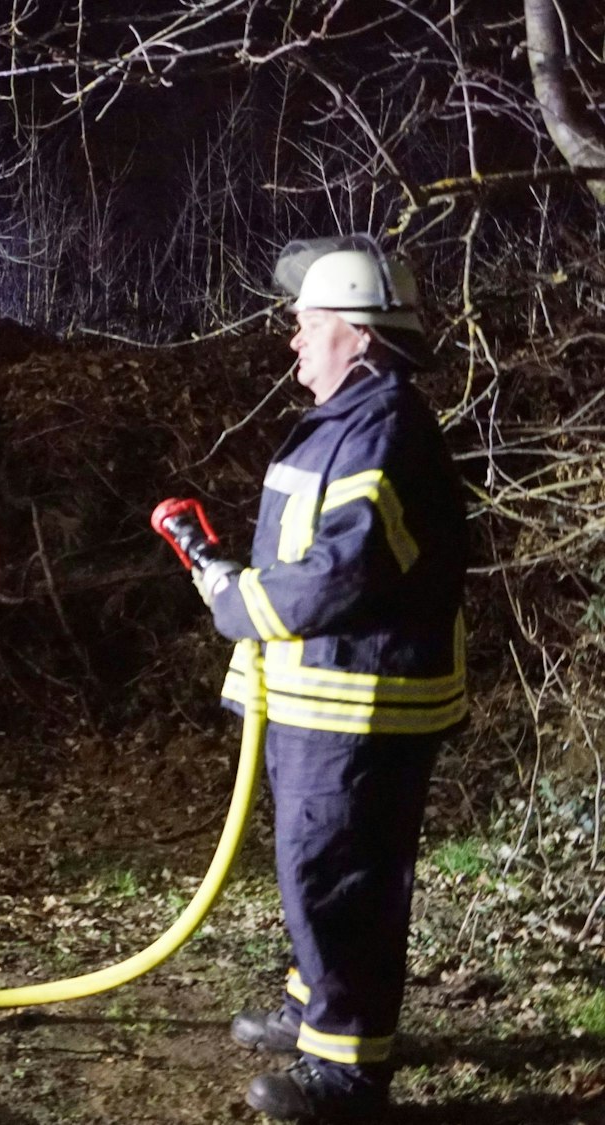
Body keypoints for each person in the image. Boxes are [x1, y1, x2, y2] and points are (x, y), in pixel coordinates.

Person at [191, 235, 466, 1120]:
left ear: (359, 331)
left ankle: (346, 1073)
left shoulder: (382, 428)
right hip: (325, 698)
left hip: (363, 704)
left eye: (307, 324)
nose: (293, 342)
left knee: (340, 876)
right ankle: (319, 1009)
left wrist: (241, 605)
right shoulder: (349, 421)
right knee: (320, 868)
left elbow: (342, 572)